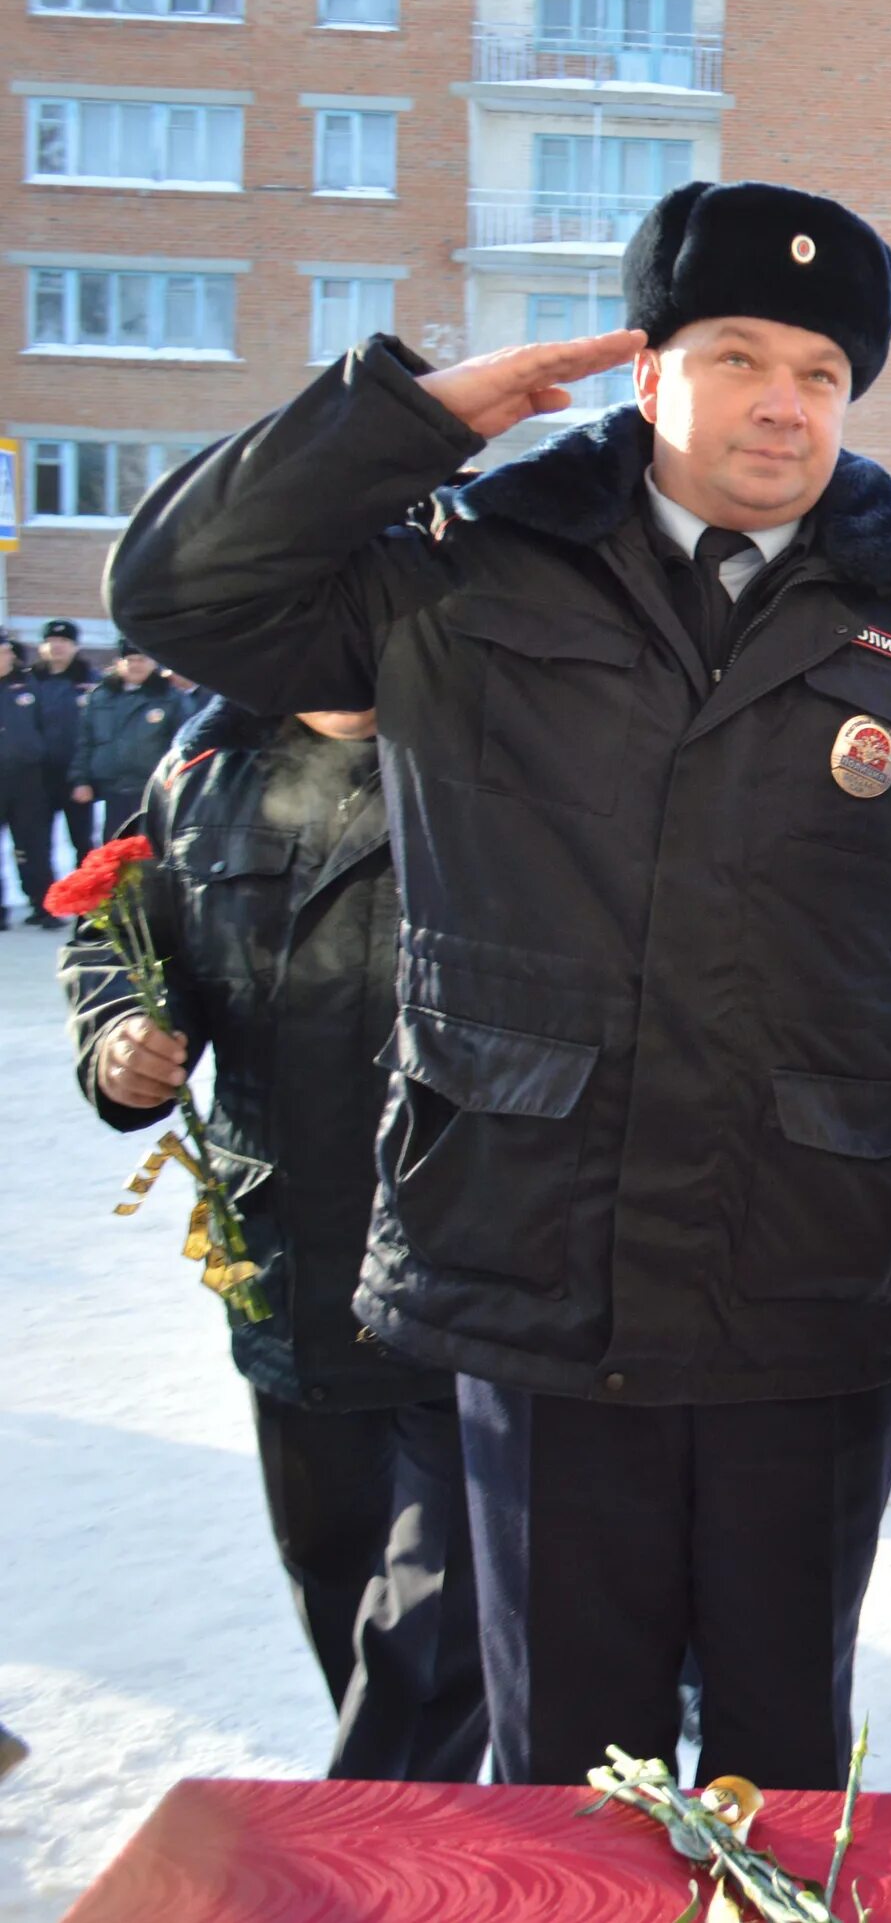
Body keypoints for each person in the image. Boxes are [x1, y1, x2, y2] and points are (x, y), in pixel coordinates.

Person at [106, 179, 891, 1792]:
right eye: (737, 356)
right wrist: (409, 426)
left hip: (810, 1261)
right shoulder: (463, 570)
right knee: (568, 1763)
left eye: (820, 372)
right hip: (530, 1254)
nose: (782, 403)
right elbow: (179, 595)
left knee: (781, 1755)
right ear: (647, 368)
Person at [64, 700, 489, 1781]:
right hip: (288, 1257)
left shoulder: (502, 730)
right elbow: (116, 925)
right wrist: (119, 1035)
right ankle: (407, 1820)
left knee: (439, 1615)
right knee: (337, 1574)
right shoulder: (207, 764)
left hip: (482, 1259)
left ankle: (381, 1841)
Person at [71, 644, 184, 845]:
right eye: (130, 660)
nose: (136, 665)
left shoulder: (170, 697)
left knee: (149, 848)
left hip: (152, 789)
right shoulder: (101, 696)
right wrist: (81, 780)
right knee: (114, 847)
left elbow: (181, 745)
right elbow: (85, 741)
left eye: (142, 660)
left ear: (153, 663)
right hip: (112, 790)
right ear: (119, 663)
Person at [0, 638, 55, 927]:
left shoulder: (28, 684)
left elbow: (44, 725)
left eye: (7, 651)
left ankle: (42, 905)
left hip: (27, 778)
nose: (7, 656)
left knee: (33, 845)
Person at [32, 620, 95, 867]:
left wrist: (85, 777)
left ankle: (87, 901)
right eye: (51, 642)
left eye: (64, 642)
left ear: (75, 647)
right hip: (38, 778)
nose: (57, 647)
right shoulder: (29, 682)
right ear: (42, 647)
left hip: (77, 777)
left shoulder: (92, 682)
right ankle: (46, 900)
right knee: (37, 842)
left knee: (83, 842)